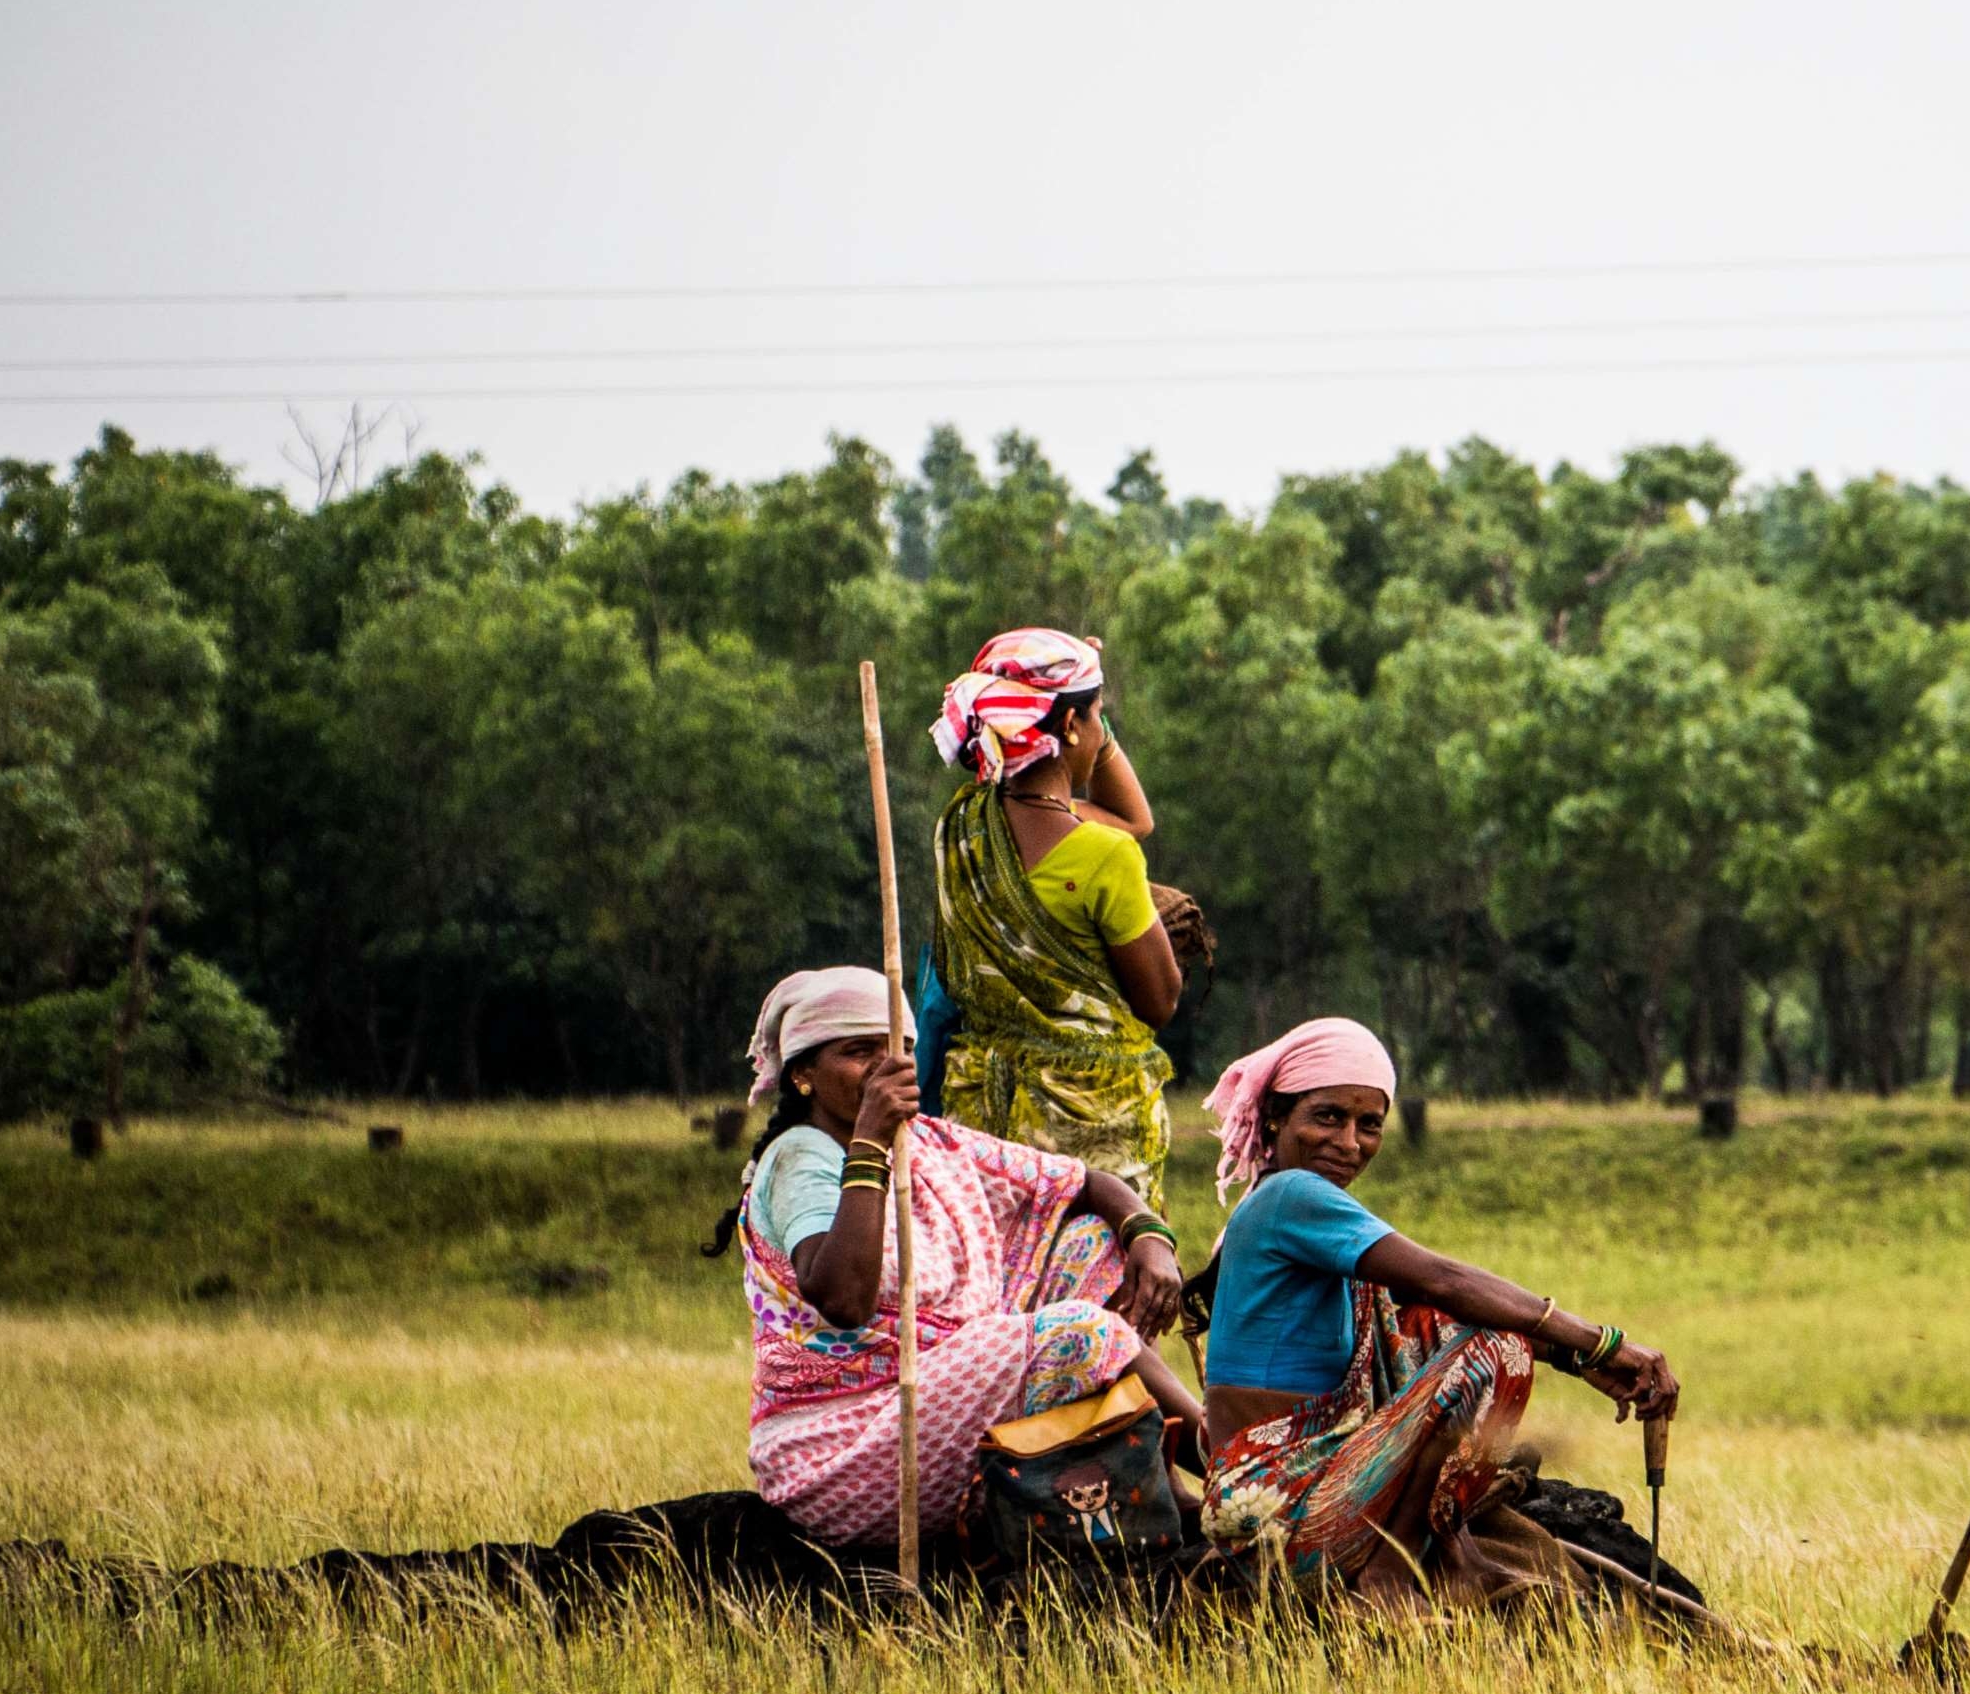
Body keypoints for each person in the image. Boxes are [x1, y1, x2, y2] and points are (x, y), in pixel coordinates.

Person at [1193, 1018, 1681, 1609]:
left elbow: (1430, 1310)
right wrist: (1602, 1343)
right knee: (1495, 1349)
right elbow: (1444, 1279)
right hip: (1285, 1512)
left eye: (1368, 1125)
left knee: (1427, 1324)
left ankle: (1435, 1549)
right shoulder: (1291, 1195)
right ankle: (1392, 1573)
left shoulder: (1273, 1210)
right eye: (1327, 1117)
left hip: (1280, 1510)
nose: (1349, 1143)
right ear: (1276, 1116)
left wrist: (1575, 1361)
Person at [712, 963, 1204, 1547]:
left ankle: (1161, 1480)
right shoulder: (802, 1160)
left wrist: (1149, 1237)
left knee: (1095, 1241)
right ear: (803, 1076)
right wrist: (870, 1139)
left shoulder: (929, 1141)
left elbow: (1084, 1183)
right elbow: (843, 1298)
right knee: (1079, 1335)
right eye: (857, 1051)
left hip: (942, 1398)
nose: (883, 1067)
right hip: (846, 1447)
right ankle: (1236, 1469)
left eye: (897, 1049)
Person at [920, 628, 1209, 1190]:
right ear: (1074, 727)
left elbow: (1132, 818)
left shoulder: (960, 830)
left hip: (981, 1134)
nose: (1104, 732)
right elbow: (1159, 1001)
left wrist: (1076, 703)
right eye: (1099, 717)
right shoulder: (1105, 857)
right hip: (1088, 1139)